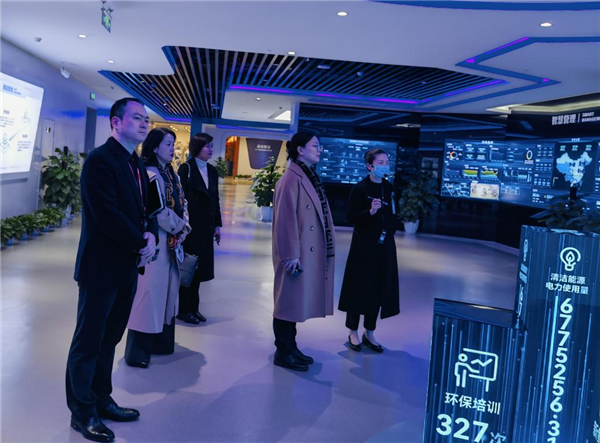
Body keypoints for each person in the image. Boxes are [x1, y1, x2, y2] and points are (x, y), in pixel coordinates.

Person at [66, 97, 158, 442]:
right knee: (89, 342)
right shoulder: (100, 161)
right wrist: (141, 241)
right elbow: (107, 215)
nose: (144, 123)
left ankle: (101, 399)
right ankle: (82, 412)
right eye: (136, 118)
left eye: (146, 119)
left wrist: (150, 233)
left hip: (126, 267)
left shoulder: (135, 162)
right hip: (100, 267)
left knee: (110, 339)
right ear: (115, 123)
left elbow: (145, 208)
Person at [124, 128, 191, 368]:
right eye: (168, 144)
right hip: (155, 242)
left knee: (167, 295)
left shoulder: (172, 173)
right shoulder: (149, 174)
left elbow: (183, 203)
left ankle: (161, 343)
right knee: (148, 296)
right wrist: (180, 227)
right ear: (154, 147)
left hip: (172, 242)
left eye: (173, 144)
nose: (172, 149)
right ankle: (138, 351)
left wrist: (183, 228)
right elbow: (158, 211)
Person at [271, 132, 335, 371]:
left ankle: (291, 347)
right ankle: (283, 351)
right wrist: (290, 255)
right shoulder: (291, 178)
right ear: (300, 149)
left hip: (303, 252)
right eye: (315, 146)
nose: (319, 150)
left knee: (295, 302)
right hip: (294, 254)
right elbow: (285, 220)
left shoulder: (307, 175)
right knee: (287, 302)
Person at [338, 148, 400, 353]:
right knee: (357, 287)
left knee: (377, 287)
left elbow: (394, 215)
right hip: (363, 246)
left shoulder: (389, 188)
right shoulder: (360, 189)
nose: (384, 165)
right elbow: (351, 217)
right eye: (380, 162)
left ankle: (370, 332)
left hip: (384, 246)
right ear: (369, 166)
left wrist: (389, 228)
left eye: (386, 162)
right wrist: (370, 211)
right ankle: (352, 331)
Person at [177, 133, 222, 324]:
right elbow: (179, 199)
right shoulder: (186, 168)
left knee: (199, 269)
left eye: (212, 146)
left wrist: (217, 225)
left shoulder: (212, 170)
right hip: (190, 228)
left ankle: (194, 308)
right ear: (197, 148)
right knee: (188, 268)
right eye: (207, 146)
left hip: (206, 227)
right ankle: (183, 309)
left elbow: (215, 200)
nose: (211, 149)